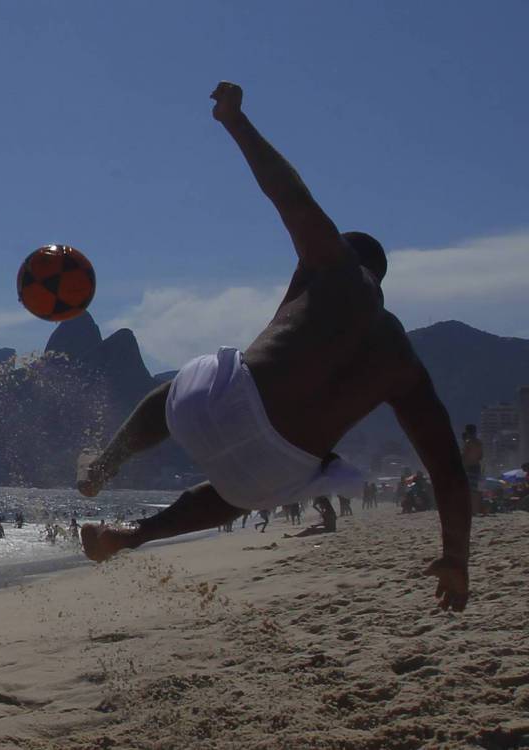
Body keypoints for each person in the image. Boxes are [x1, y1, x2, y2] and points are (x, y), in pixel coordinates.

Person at [76, 82, 471, 612]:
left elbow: (289, 196)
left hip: (219, 404)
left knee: (178, 391)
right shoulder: (403, 362)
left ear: (349, 258)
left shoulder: (334, 266)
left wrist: (235, 121)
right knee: (235, 491)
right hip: (274, 473)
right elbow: (447, 466)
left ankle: (103, 468)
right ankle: (127, 537)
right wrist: (456, 559)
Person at [461, 424, 483, 514]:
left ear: (467, 431)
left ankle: (471, 509)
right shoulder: (479, 442)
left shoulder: (468, 442)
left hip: (469, 467)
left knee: (469, 489)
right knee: (474, 488)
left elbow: (464, 456)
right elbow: (481, 456)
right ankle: (475, 509)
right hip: (476, 467)